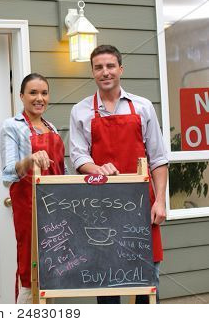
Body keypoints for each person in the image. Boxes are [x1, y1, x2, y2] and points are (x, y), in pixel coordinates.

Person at [69, 45, 168, 303]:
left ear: (120, 69)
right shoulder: (80, 111)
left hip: (141, 207)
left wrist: (160, 201)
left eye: (110, 66)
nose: (105, 72)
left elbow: (158, 159)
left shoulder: (143, 107)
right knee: (107, 286)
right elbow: (78, 156)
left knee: (146, 283)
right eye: (99, 67)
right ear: (92, 72)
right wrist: (97, 168)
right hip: (100, 208)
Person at [0, 73, 66, 303]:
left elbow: (61, 172)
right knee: (30, 269)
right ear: (21, 96)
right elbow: (9, 172)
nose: (40, 98)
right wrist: (30, 160)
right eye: (33, 93)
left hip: (56, 209)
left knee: (54, 269)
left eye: (44, 93)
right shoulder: (12, 126)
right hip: (29, 208)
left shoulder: (52, 127)